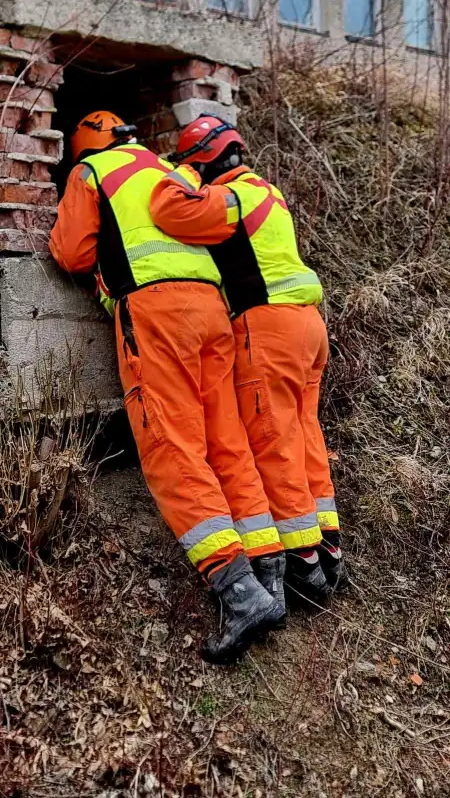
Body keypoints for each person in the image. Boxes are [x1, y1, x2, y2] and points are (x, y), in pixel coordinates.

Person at [49, 110, 287, 664]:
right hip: (213, 312)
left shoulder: (91, 173)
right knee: (227, 443)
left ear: (84, 146)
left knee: (170, 447)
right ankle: (270, 578)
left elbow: (72, 253)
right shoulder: (166, 167)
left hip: (158, 315)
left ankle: (237, 589)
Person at [150, 114, 348, 605]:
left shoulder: (237, 196)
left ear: (209, 162)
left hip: (269, 330)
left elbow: (173, 212)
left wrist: (182, 177)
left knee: (272, 439)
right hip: (306, 327)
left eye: (198, 165)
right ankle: (328, 547)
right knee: (304, 435)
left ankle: (304, 564)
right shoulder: (269, 193)